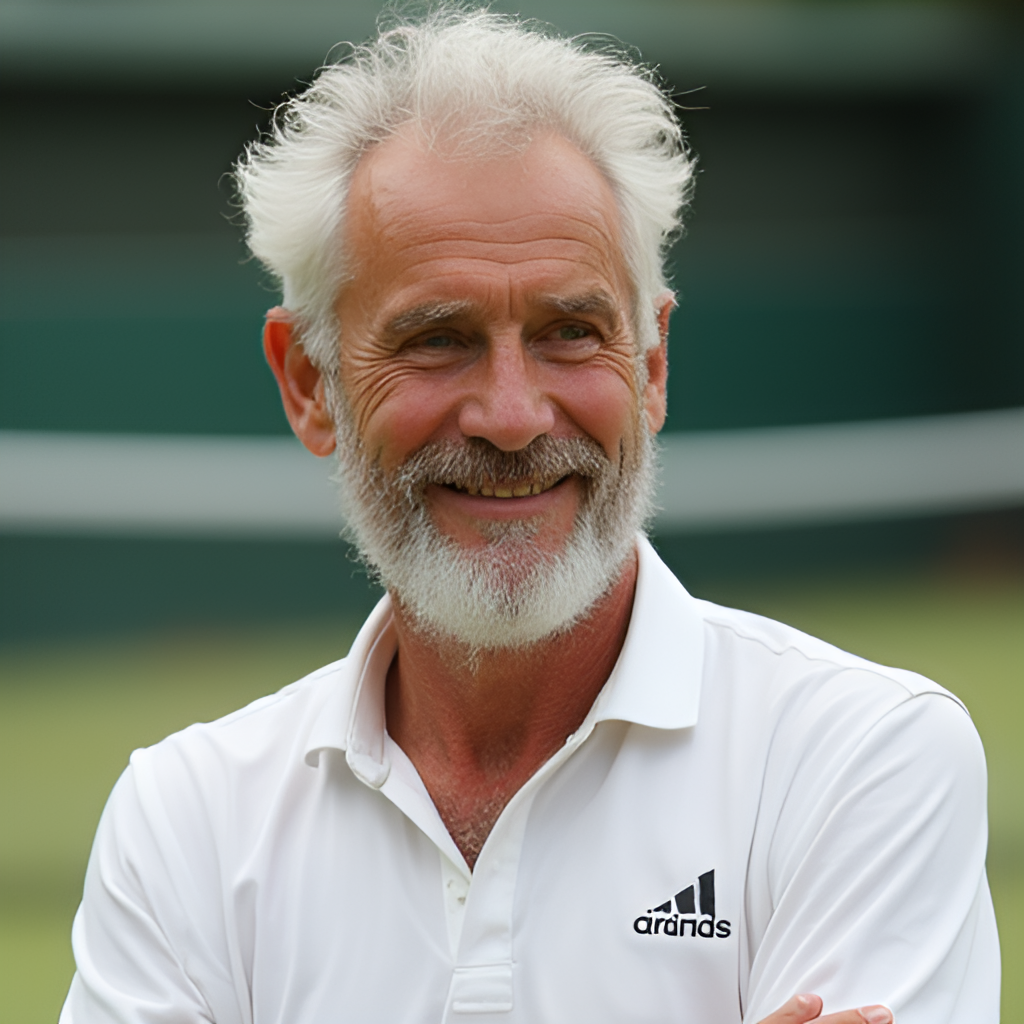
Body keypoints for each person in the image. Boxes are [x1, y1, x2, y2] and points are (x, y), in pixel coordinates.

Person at [60, 9, 999, 1023]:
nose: (512, 417)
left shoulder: (862, 757)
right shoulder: (186, 818)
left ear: (650, 365)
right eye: (437, 338)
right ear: (308, 383)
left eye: (568, 332)